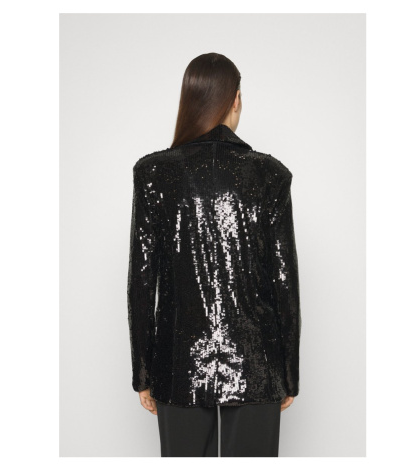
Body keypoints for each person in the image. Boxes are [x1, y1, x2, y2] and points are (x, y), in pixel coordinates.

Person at [127, 52, 301, 457]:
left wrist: (143, 371)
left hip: (177, 363)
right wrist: (288, 373)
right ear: (235, 99)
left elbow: (142, 281)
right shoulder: (270, 174)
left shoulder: (154, 173)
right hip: (258, 363)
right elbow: (284, 280)